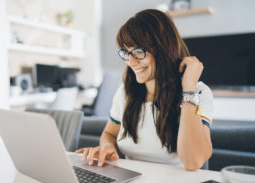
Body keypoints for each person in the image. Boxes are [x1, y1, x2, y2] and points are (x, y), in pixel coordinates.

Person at [75, 9, 213, 171]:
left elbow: (193, 162)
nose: (131, 62)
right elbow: (109, 134)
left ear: (163, 48)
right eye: (126, 53)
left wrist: (189, 89)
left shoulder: (198, 93)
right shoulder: (125, 93)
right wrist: (107, 146)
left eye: (139, 52)